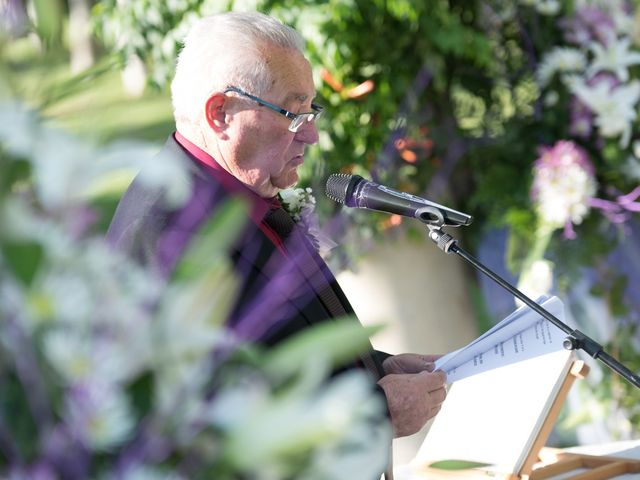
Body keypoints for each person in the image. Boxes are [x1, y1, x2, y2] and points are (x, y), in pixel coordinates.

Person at [107, 11, 447, 476]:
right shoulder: (167, 231)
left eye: (310, 112)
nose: (311, 133)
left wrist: (375, 368)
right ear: (220, 114)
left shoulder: (243, 190)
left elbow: (281, 348)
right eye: (293, 114)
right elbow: (205, 421)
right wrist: (369, 411)